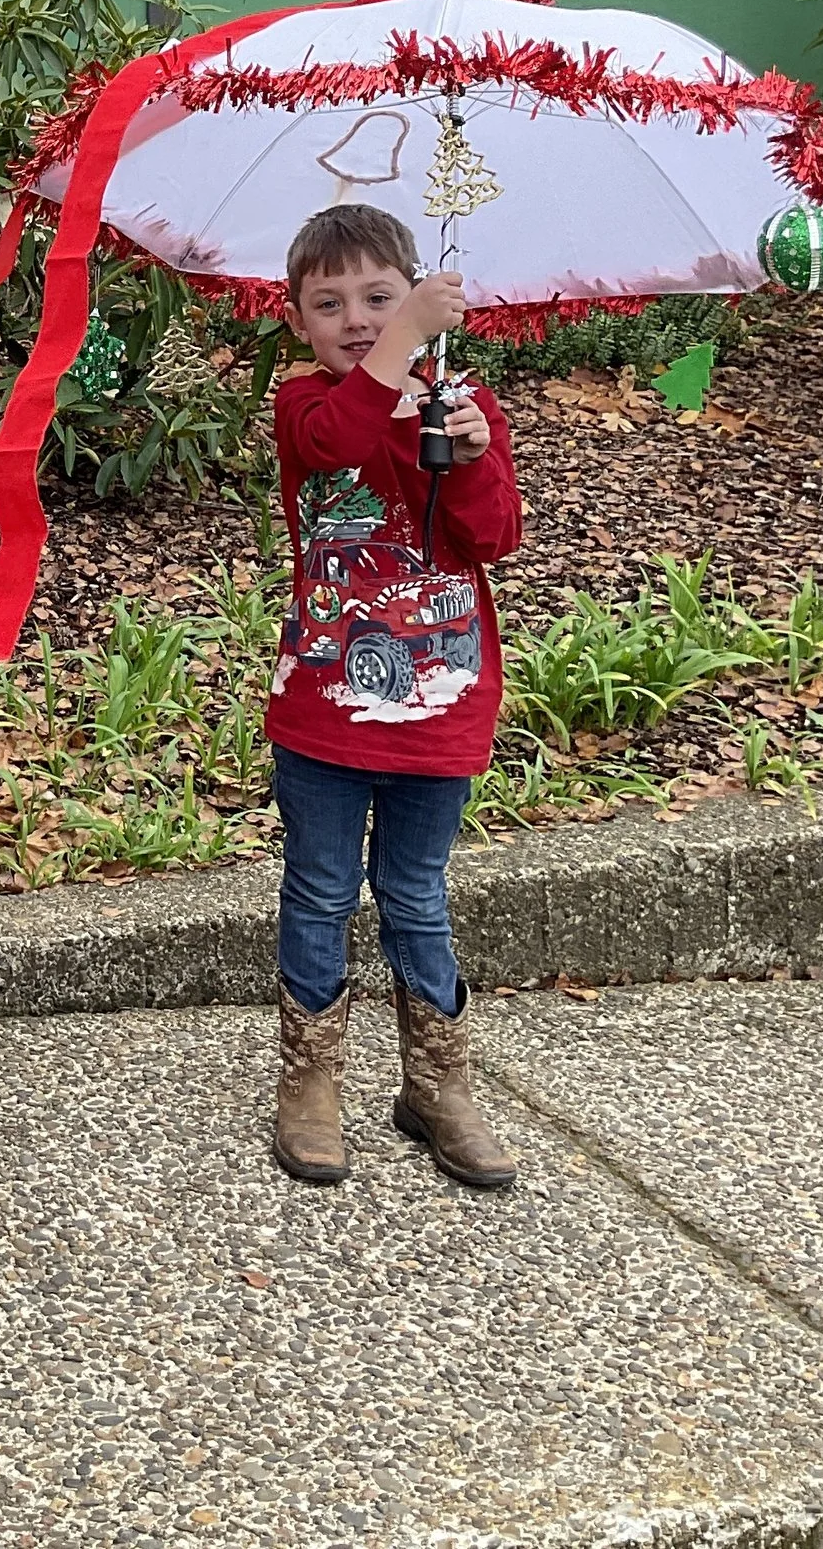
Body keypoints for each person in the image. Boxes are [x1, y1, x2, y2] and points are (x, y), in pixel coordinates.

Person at [267, 203, 524, 1191]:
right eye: (329, 303)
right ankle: (310, 1080)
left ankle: (435, 1084)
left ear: (413, 286)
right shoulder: (303, 407)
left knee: (415, 896)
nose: (358, 317)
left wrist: (466, 459)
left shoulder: (460, 406)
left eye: (380, 296)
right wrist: (407, 339)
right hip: (324, 710)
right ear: (298, 320)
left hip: (440, 706)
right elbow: (337, 442)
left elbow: (491, 537)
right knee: (322, 889)